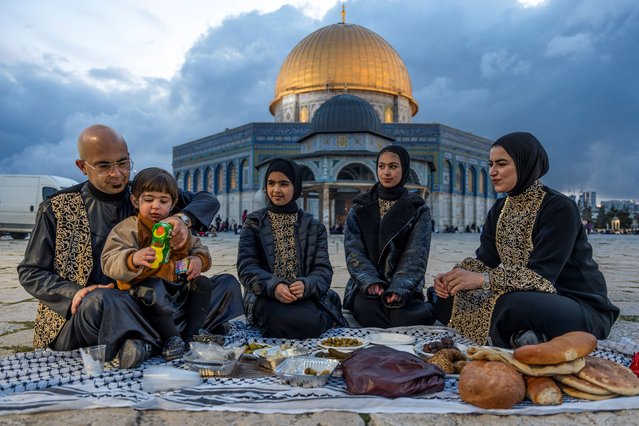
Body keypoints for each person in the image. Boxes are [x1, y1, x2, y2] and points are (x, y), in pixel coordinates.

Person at [18, 124, 243, 369]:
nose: (117, 174)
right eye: (104, 166)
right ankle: (176, 337)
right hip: (104, 307)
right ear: (83, 167)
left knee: (223, 286)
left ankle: (148, 343)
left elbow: (207, 200)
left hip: (156, 301)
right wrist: (73, 292)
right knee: (101, 302)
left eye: (123, 163)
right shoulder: (57, 209)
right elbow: (31, 272)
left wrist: (182, 219)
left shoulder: (148, 193)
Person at [432, 132, 619, 348]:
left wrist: (481, 279)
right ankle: (525, 337)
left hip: (575, 304)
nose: (492, 172)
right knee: (447, 298)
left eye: (501, 164)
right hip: (525, 294)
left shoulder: (559, 207)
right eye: (491, 164)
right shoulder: (500, 209)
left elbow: (542, 277)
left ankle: (522, 335)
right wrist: (452, 278)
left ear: (525, 164)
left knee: (510, 304)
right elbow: (484, 260)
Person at [101, 167, 212, 361]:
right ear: (136, 201)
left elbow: (200, 250)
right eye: (149, 200)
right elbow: (109, 260)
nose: (155, 207)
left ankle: (193, 335)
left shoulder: (177, 228)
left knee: (209, 284)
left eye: (163, 201)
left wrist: (197, 261)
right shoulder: (129, 228)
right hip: (144, 297)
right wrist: (133, 258)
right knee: (152, 288)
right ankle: (172, 338)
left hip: (178, 291)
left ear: (173, 203)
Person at [237, 157, 347, 338]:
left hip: (305, 295)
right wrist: (274, 286)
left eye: (284, 184)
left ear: (296, 186)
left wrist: (306, 285)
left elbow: (322, 270)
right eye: (271, 183)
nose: (276, 190)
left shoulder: (314, 226)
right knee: (280, 320)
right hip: (266, 295)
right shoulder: (254, 223)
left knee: (306, 320)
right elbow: (246, 267)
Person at [343, 145, 436, 328]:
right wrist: (370, 282)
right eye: (382, 166)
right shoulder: (360, 207)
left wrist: (399, 289)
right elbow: (354, 251)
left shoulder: (418, 209)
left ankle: (432, 301)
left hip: (404, 284)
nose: (386, 172)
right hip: (368, 286)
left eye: (393, 166)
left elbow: (416, 256)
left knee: (403, 318)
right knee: (367, 313)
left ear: (404, 169)